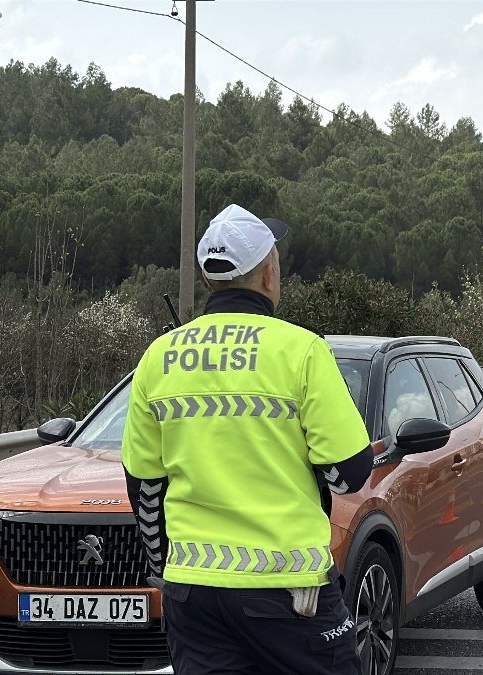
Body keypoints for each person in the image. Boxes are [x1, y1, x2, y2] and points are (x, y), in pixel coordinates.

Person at [121, 204, 373, 674]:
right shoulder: (301, 351)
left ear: (209, 278)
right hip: (290, 590)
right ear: (268, 275)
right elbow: (350, 474)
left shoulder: (159, 357)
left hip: (193, 593)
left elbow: (144, 487)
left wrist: (165, 569)